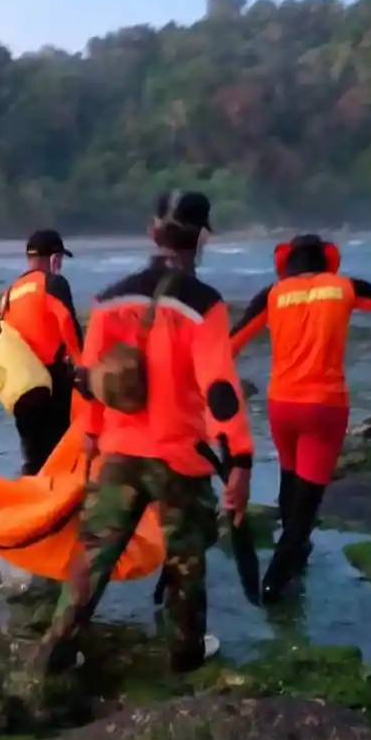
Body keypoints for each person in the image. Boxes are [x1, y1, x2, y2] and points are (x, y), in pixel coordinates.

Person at [37, 190, 254, 674]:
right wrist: (239, 458)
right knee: (185, 560)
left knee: (94, 554)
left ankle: (56, 649)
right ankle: (185, 653)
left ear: (151, 231)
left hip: (118, 449)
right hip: (181, 457)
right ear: (203, 238)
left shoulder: (109, 299)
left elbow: (88, 379)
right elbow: (220, 389)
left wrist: (92, 434)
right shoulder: (204, 304)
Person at [230, 234, 371, 602]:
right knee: (307, 505)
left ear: (287, 264)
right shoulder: (344, 287)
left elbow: (231, 343)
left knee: (289, 477)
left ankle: (294, 553)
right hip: (325, 407)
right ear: (327, 261)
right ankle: (274, 585)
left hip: (281, 406)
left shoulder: (272, 295)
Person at [0, 229, 83, 474]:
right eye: (60, 258)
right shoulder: (53, 282)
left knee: (33, 459)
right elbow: (67, 322)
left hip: (22, 387)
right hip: (52, 382)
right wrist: (82, 365)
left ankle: (30, 491)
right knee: (62, 453)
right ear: (54, 258)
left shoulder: (8, 294)